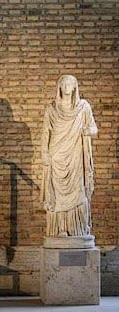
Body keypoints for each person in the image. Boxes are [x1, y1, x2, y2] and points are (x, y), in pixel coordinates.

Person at [41, 75, 97, 237]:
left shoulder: (83, 107)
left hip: (75, 154)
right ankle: (59, 229)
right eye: (64, 83)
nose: (67, 86)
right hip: (56, 155)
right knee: (57, 193)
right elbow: (46, 133)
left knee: (78, 190)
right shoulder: (51, 108)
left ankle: (77, 229)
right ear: (59, 86)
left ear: (75, 87)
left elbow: (94, 128)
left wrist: (88, 131)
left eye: (70, 84)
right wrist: (44, 153)